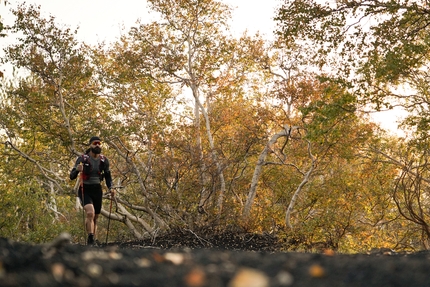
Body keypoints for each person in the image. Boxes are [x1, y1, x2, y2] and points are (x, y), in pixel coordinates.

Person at [70, 136, 115, 245]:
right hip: (85, 189)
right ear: (90, 145)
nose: (98, 145)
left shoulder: (104, 160)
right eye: (95, 143)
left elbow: (108, 176)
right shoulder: (83, 158)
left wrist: (111, 188)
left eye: (99, 143)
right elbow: (71, 176)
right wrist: (77, 170)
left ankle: (93, 240)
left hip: (97, 189)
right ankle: (90, 238)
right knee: (90, 212)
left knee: (95, 217)